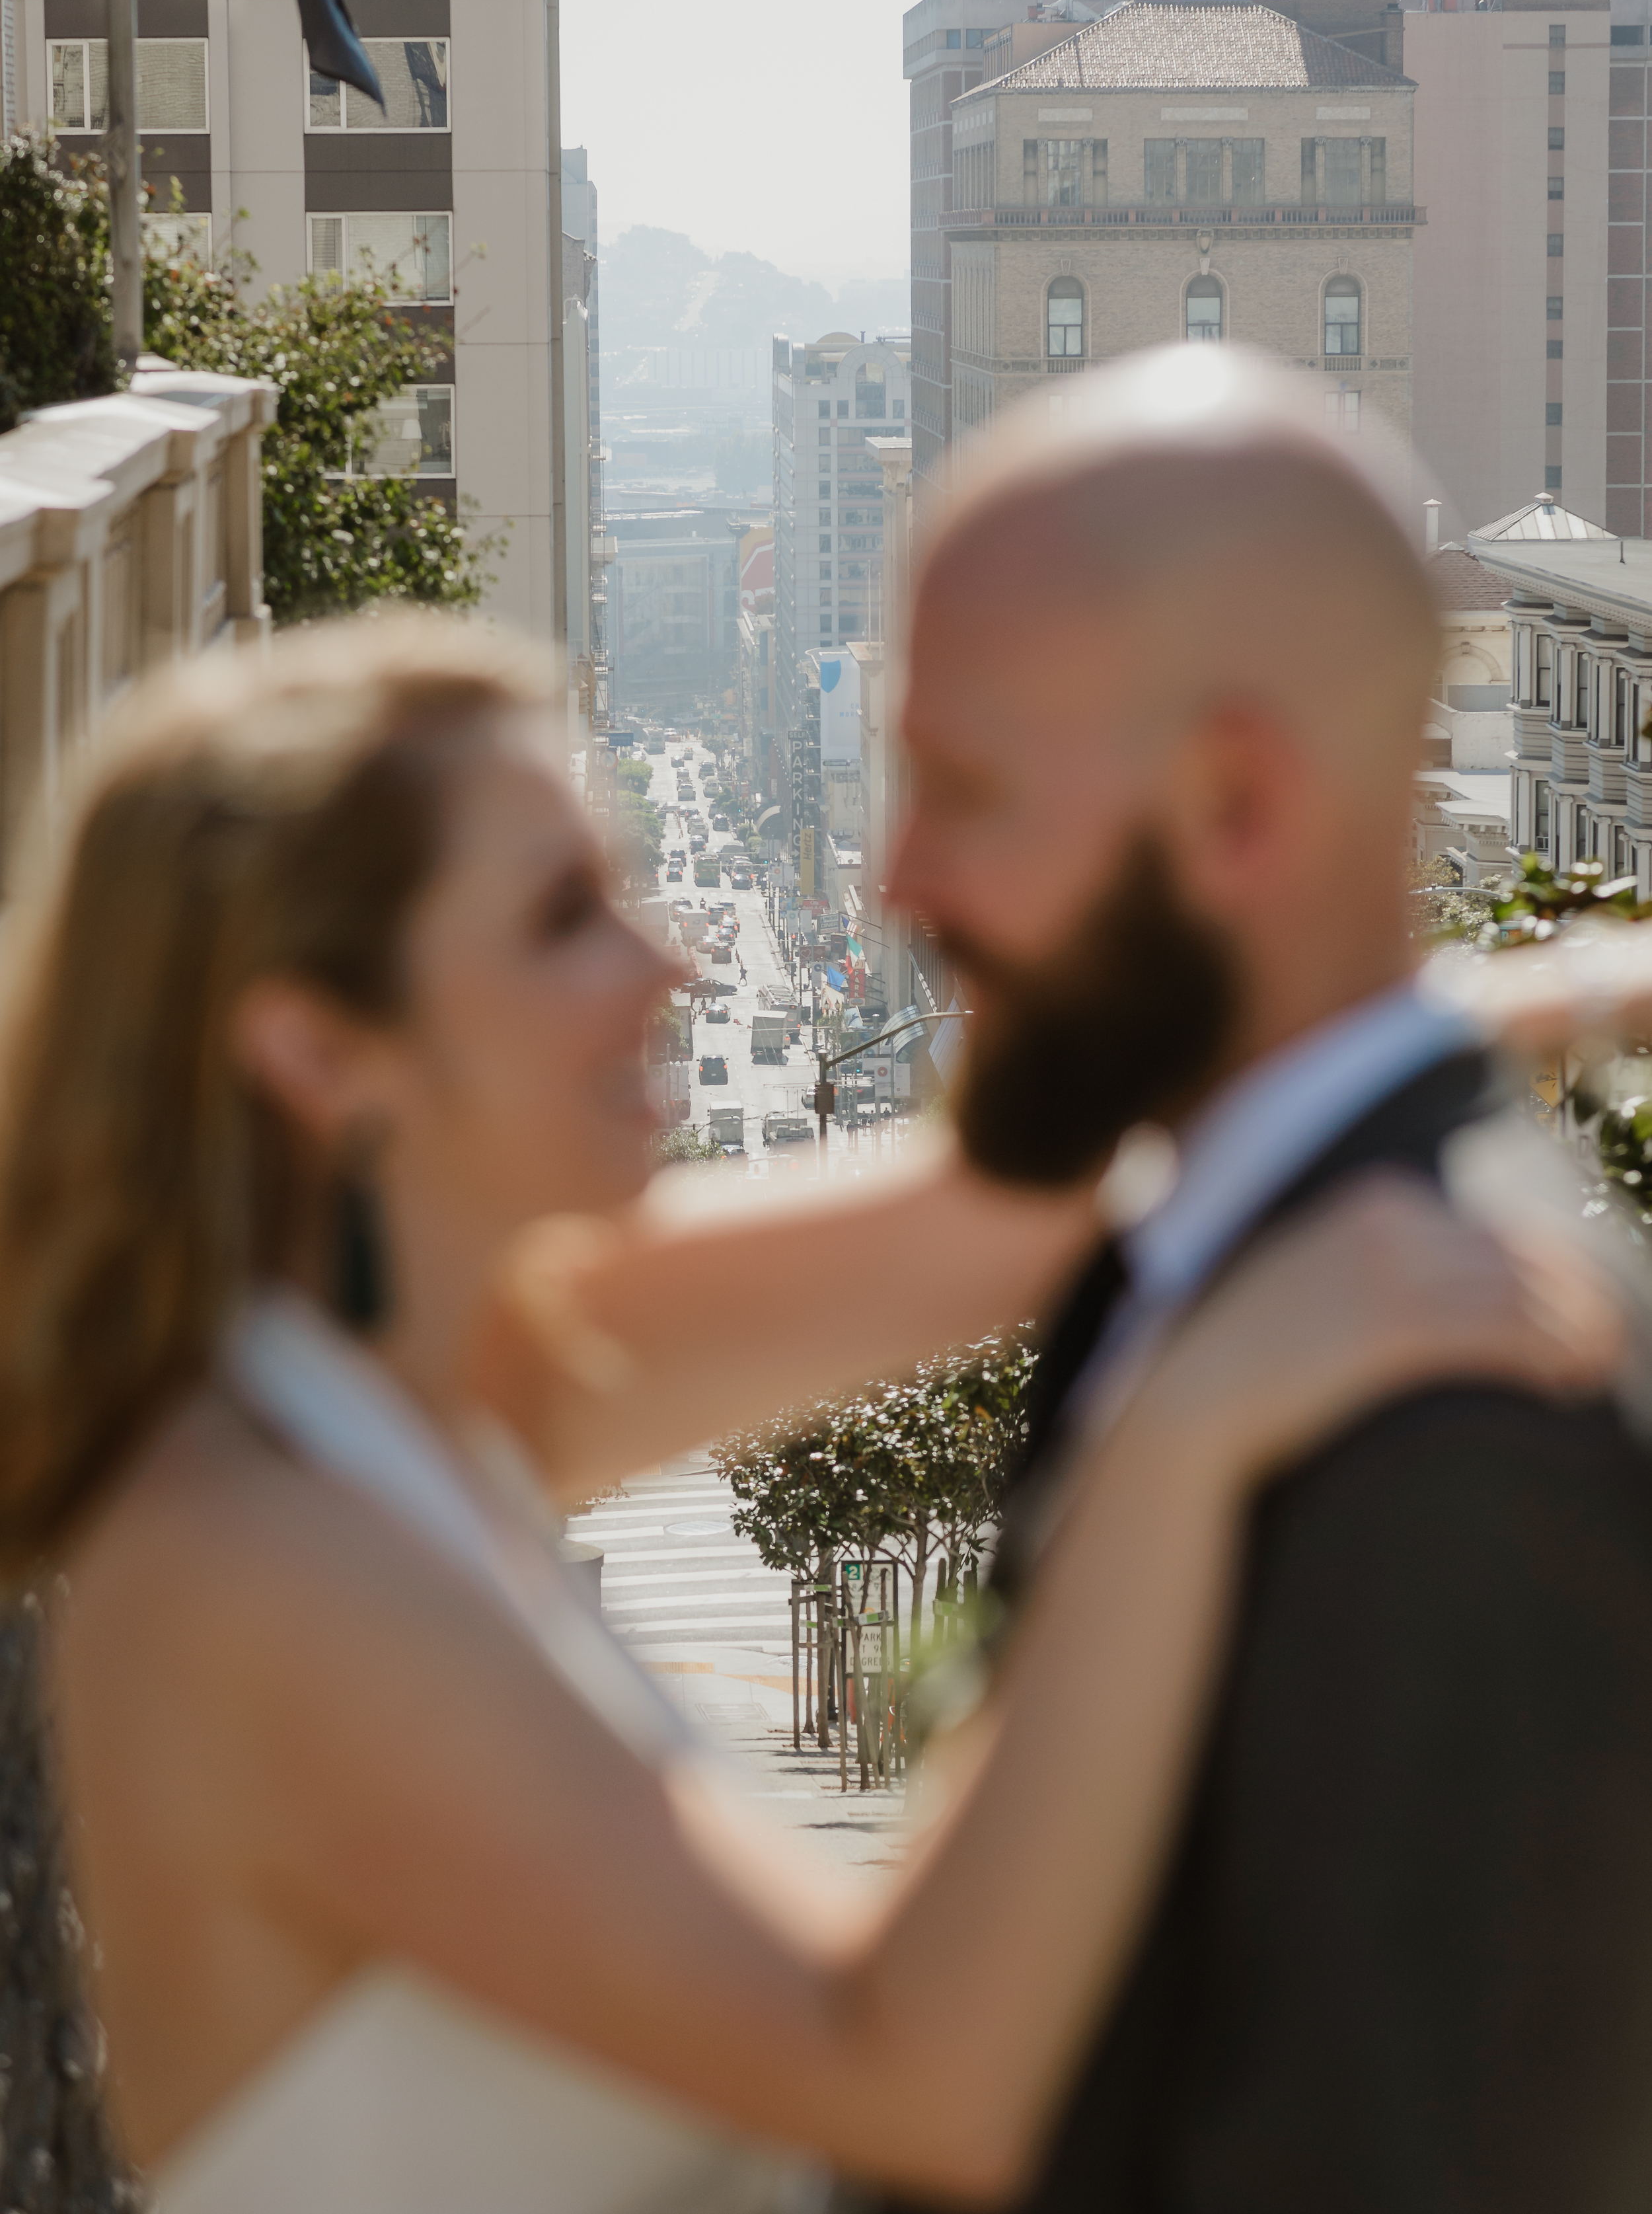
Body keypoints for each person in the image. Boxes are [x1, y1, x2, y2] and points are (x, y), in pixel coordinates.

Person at [3, 617, 1610, 2214]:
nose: (668, 961)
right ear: (317, 1046)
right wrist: (1182, 1439)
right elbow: (916, 2072)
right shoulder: (256, 1571)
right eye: (565, 916)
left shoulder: (430, 1377)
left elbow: (998, 1215)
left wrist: (1513, 1006)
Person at [858, 343, 1652, 2214]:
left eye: (960, 785)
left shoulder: (1457, 1424)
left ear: (1231, 804)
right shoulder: (1235, 1263)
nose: (898, 875)